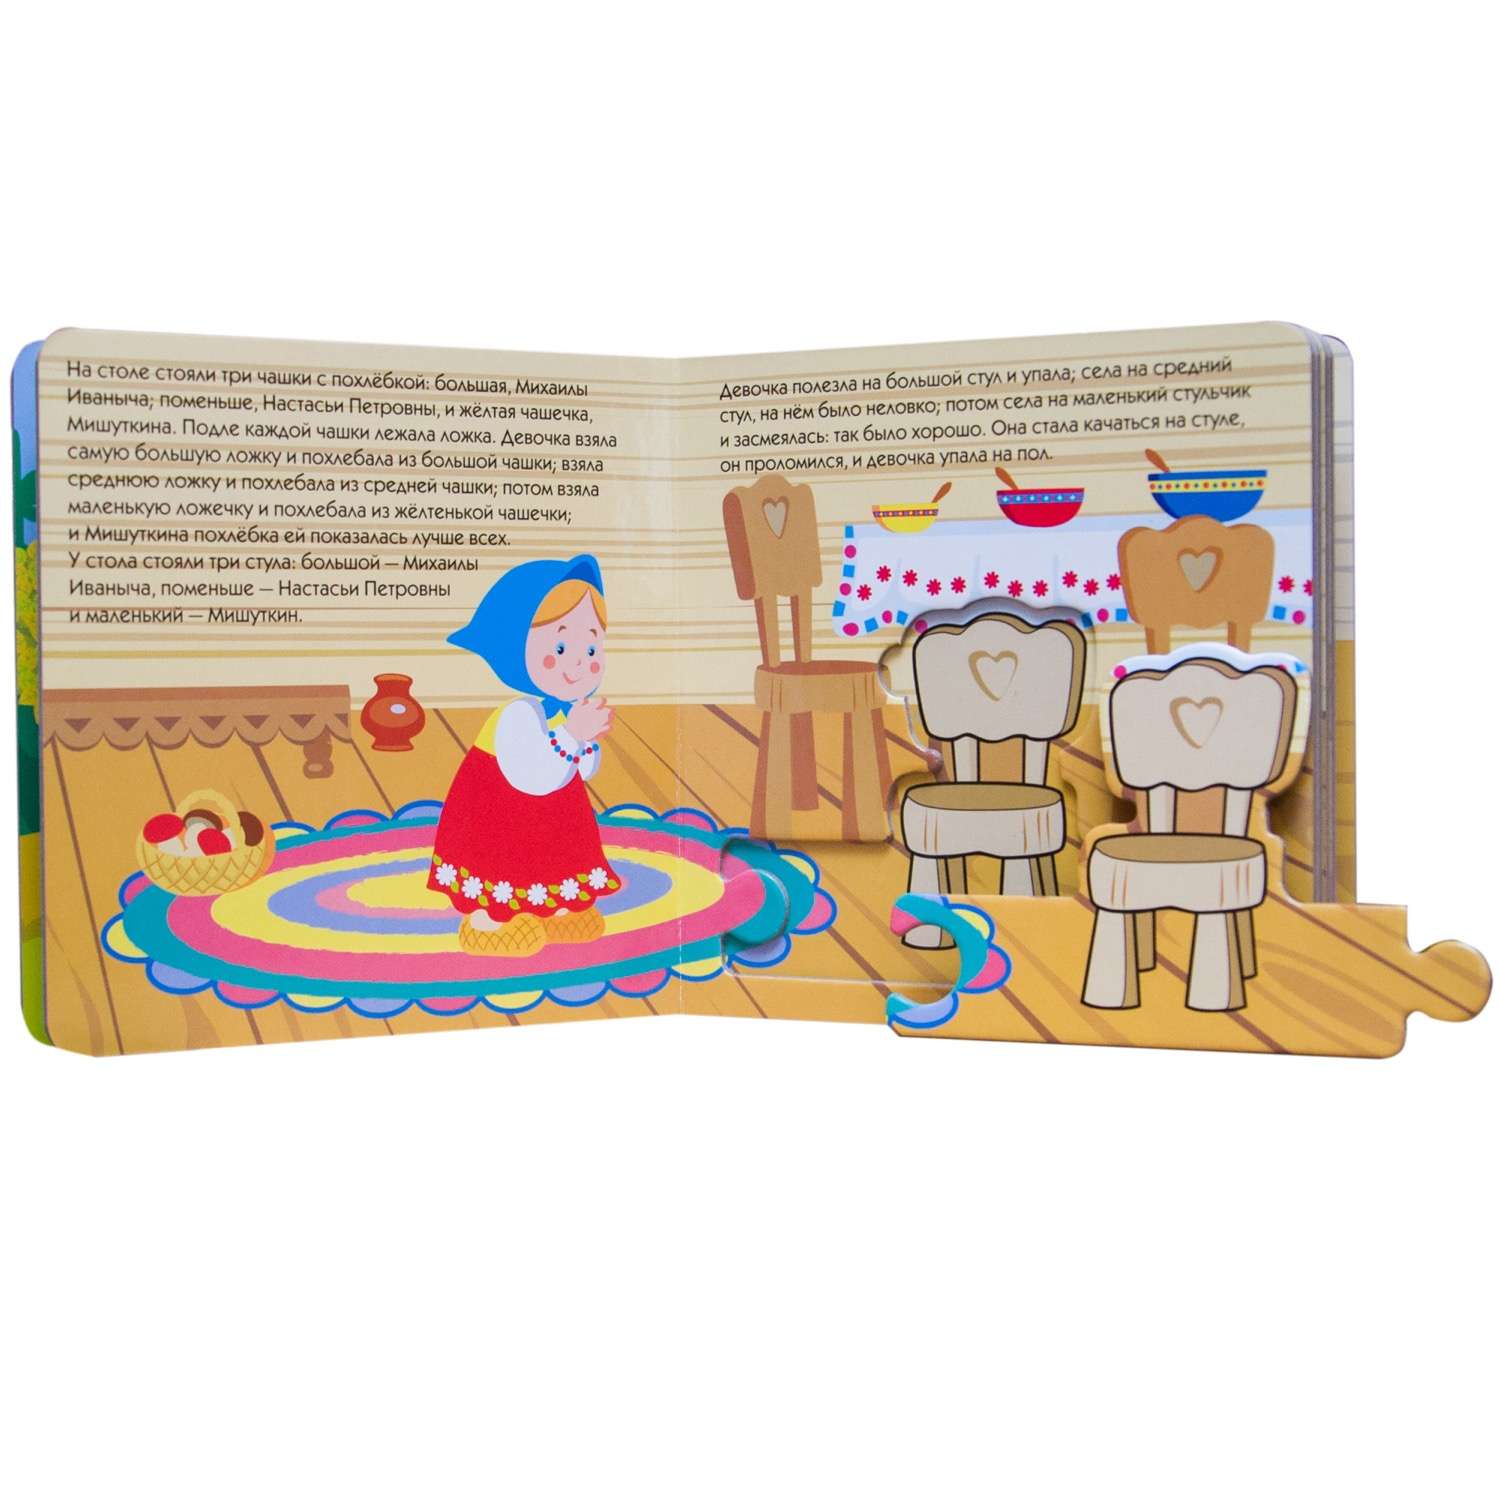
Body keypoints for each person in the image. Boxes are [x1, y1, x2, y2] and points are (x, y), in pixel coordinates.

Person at [429, 554, 618, 955]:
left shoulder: (565, 711)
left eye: (591, 646)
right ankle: (487, 925)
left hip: (550, 818)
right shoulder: (517, 714)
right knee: (505, 870)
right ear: (514, 648)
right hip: (502, 820)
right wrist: (572, 735)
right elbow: (533, 779)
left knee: (554, 860)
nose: (579, 661)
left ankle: (558, 908)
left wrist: (583, 740)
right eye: (561, 646)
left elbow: (582, 771)